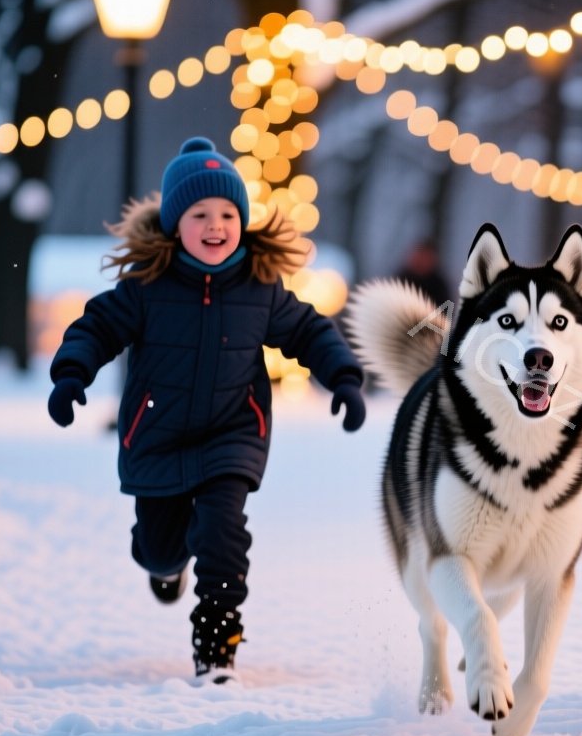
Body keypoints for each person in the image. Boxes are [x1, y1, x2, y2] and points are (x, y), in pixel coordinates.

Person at [47, 137, 366, 684]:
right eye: (200, 214)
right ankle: (166, 565)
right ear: (176, 224)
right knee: (157, 546)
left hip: (231, 434)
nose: (215, 225)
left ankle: (216, 647)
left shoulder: (260, 288)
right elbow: (96, 326)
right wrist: (72, 374)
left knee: (222, 533)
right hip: (158, 436)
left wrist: (342, 378)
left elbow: (310, 330)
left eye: (226, 213)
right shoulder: (146, 287)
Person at [394, 238, 450, 308]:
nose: (422, 261)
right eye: (421, 255)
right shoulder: (400, 279)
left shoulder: (439, 286)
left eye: (427, 257)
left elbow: (447, 312)